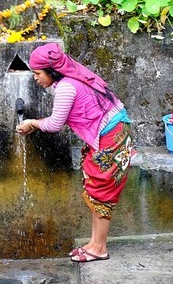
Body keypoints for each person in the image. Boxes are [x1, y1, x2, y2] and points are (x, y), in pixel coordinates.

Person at [16, 43, 133, 263]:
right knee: (95, 186)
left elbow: (54, 124)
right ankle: (94, 243)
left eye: (38, 73)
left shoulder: (66, 88)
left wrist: (31, 123)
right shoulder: (72, 79)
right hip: (113, 132)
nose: (35, 78)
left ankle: (99, 248)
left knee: (101, 190)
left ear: (51, 71)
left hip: (110, 138)